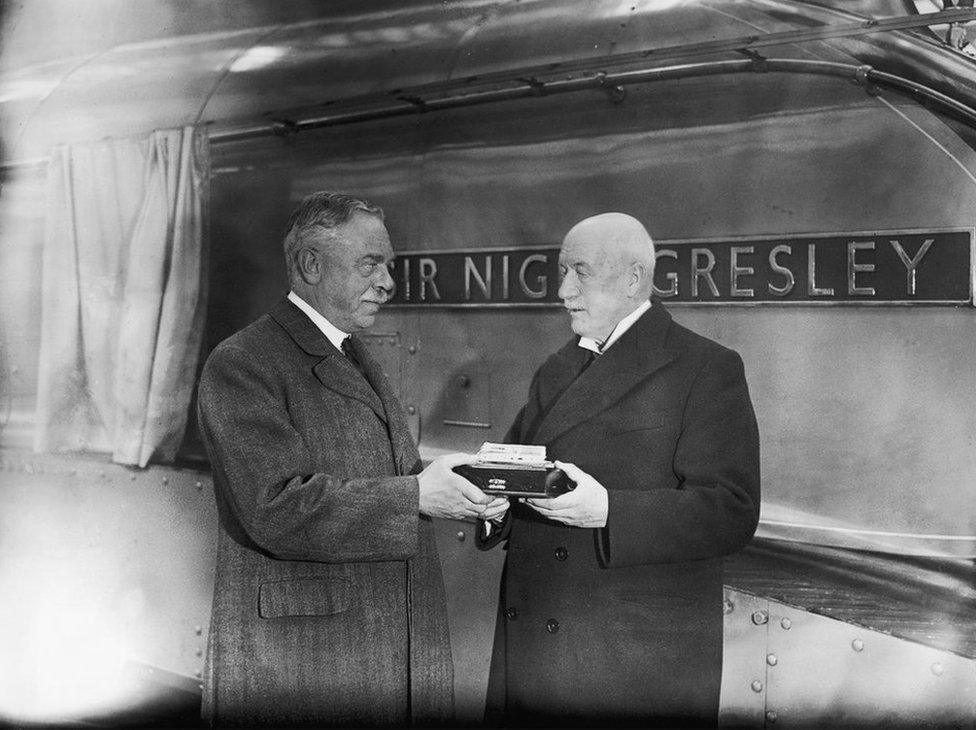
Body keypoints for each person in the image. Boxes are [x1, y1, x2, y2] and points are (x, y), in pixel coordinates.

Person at [197, 191, 508, 726]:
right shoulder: (243, 363)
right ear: (312, 265)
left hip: (381, 644)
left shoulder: (352, 352)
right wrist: (415, 494)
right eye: (371, 264)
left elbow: (384, 476)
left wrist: (466, 488)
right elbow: (275, 507)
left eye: (388, 265)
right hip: (308, 660)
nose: (388, 281)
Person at [477, 212, 761, 728]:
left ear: (633, 280)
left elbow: (731, 510)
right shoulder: (559, 365)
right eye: (562, 271)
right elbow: (521, 466)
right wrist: (493, 504)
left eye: (579, 272)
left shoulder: (705, 367)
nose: (562, 291)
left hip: (631, 663)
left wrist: (607, 509)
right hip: (537, 647)